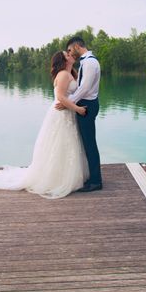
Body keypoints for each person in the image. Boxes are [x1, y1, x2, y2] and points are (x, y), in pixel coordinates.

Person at [0, 51, 89, 199]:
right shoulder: (63, 75)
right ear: (63, 60)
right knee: (60, 143)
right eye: (67, 55)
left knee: (66, 144)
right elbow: (60, 97)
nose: (71, 55)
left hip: (67, 112)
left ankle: (64, 174)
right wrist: (77, 109)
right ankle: (57, 178)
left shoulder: (71, 73)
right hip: (61, 113)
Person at [56, 36, 102, 192]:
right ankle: (92, 177)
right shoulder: (86, 61)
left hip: (87, 105)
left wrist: (68, 103)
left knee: (90, 144)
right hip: (85, 104)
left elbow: (84, 89)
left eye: (70, 49)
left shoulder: (89, 62)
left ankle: (96, 181)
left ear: (77, 46)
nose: (70, 53)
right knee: (87, 143)